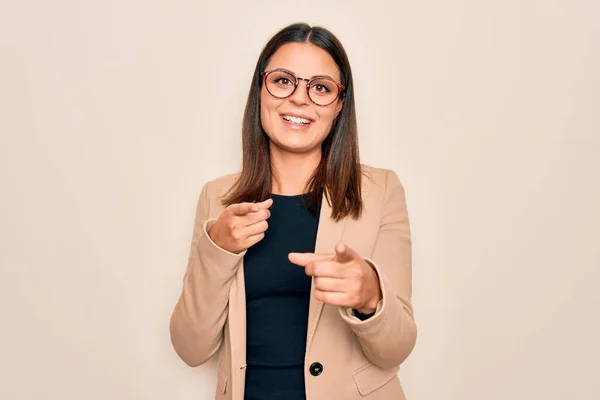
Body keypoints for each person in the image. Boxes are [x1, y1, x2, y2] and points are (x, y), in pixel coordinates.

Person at [169, 22, 417, 400]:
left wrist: (371, 298)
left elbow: (395, 350)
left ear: (339, 104)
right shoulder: (217, 197)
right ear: (261, 90)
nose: (300, 99)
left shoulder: (380, 191)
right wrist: (216, 249)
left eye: (320, 88)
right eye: (284, 81)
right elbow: (190, 348)